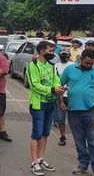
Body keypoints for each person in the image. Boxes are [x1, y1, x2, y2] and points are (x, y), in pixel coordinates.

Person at [60, 49, 94, 175]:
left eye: (92, 63)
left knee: (93, 141)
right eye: (87, 63)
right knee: (79, 141)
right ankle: (83, 165)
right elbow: (60, 86)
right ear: (81, 59)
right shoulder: (69, 70)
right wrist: (61, 101)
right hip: (73, 112)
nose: (90, 65)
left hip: (91, 111)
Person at [27, 41, 66, 175]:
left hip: (50, 104)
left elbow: (56, 80)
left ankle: (41, 159)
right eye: (50, 50)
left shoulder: (51, 65)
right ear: (42, 51)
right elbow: (34, 85)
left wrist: (60, 88)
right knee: (37, 133)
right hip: (38, 104)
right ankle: (34, 163)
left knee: (45, 133)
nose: (52, 53)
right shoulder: (33, 65)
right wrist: (52, 89)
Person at [54, 47, 74, 146]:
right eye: (62, 55)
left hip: (71, 95)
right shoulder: (55, 66)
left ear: (69, 56)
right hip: (60, 95)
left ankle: (76, 136)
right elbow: (56, 82)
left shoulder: (73, 66)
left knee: (73, 118)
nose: (64, 57)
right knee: (61, 118)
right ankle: (62, 136)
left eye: (66, 55)